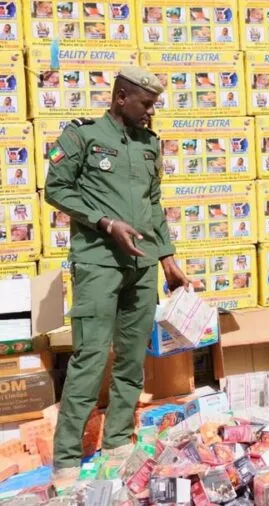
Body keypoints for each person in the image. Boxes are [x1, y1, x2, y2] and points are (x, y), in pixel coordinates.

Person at [44, 66, 189, 491]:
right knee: (89, 362)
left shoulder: (149, 144)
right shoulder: (82, 137)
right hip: (98, 265)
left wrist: (167, 259)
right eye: (146, 103)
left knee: (130, 361)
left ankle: (117, 446)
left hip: (141, 268)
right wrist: (106, 223)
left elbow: (153, 204)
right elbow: (56, 188)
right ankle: (66, 464)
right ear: (121, 96)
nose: (150, 112)